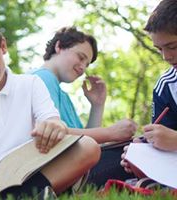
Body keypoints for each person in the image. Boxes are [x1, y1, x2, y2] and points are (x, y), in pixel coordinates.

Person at [0, 15, 101, 199]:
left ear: (3, 46)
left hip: (27, 170)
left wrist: (54, 126)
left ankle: (20, 195)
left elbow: (51, 119)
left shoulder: (31, 84)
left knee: (88, 147)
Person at [31, 27, 137, 188]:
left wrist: (97, 105)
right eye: (80, 57)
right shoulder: (39, 79)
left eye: (86, 64)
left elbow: (87, 143)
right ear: (59, 47)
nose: (82, 67)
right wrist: (111, 133)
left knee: (135, 148)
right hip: (59, 170)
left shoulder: (62, 95)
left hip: (78, 166)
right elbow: (49, 132)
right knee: (136, 151)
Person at [121, 0, 177, 177]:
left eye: (173, 47)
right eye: (159, 49)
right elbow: (164, 142)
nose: (166, 57)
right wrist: (145, 149)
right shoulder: (166, 86)